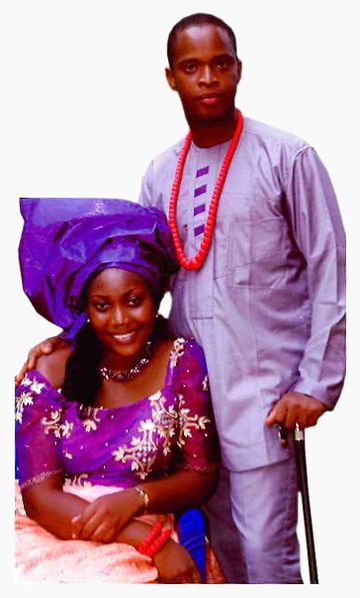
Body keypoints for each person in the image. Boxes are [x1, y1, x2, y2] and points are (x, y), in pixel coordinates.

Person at [17, 13, 346, 584]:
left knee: (266, 558)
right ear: (171, 78)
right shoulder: (160, 173)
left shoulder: (288, 159)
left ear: (238, 69)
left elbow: (329, 271)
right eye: (192, 67)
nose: (209, 78)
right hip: (182, 400)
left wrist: (316, 383)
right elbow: (134, 283)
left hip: (263, 396)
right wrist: (71, 335)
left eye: (220, 64)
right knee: (215, 557)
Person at [15, 197, 223, 583]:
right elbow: (40, 498)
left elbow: (201, 474)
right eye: (102, 305)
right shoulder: (49, 371)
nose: (120, 319)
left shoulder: (182, 361)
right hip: (58, 529)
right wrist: (150, 543)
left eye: (133, 301)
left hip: (146, 512)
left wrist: (134, 500)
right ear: (85, 309)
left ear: (154, 297)